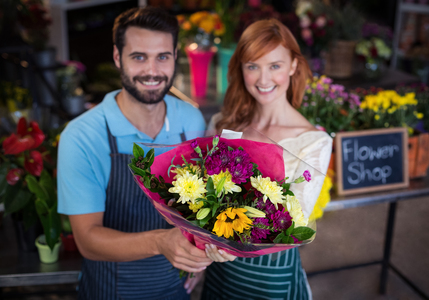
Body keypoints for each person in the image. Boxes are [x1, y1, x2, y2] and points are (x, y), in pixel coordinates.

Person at [57, 7, 212, 300]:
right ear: (118, 57)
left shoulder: (191, 121)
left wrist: (198, 257)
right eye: (139, 57)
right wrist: (161, 242)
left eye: (162, 57)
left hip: (175, 290)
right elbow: (88, 240)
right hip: (109, 292)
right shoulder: (83, 136)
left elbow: (198, 209)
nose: (152, 71)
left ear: (175, 55)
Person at [201, 19, 333, 300]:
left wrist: (235, 245)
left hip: (271, 275)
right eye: (253, 66)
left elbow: (294, 225)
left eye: (275, 66)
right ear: (241, 69)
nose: (263, 79)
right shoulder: (223, 124)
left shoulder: (313, 142)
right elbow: (201, 194)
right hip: (220, 271)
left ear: (293, 66)